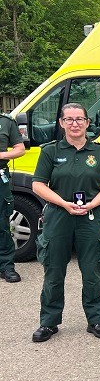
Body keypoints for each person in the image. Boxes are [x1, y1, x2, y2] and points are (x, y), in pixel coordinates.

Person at [31, 103, 100, 342]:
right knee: (53, 271)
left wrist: (92, 204)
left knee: (92, 272)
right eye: (69, 119)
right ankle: (48, 323)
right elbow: (38, 184)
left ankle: (96, 320)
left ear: (88, 123)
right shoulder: (50, 151)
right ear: (61, 123)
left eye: (79, 119)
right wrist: (63, 203)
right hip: (59, 215)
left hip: (89, 217)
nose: (74, 124)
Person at [0, 113, 25, 283]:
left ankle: (6, 266)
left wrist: (1, 155)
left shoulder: (6, 122)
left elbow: (20, 149)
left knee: (2, 225)